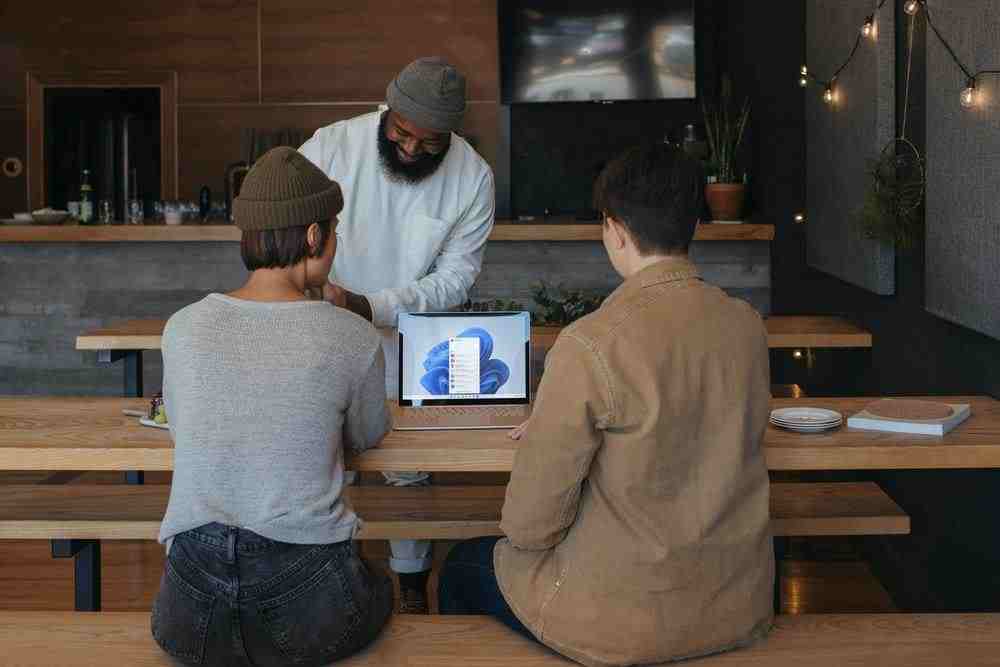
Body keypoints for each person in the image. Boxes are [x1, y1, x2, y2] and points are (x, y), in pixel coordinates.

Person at [438, 144, 774, 666]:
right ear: (693, 225)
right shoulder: (746, 325)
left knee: (462, 566)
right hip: (735, 603)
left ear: (614, 229)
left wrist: (553, 427)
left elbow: (531, 525)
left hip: (626, 623)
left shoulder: (591, 342)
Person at [152, 147, 393, 666]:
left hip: (188, 613)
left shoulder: (182, 328)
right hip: (307, 607)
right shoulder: (352, 335)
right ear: (314, 236)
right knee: (384, 588)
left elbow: (186, 428)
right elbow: (368, 435)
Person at [299, 56, 495, 613]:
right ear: (387, 110)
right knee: (320, 461)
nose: (411, 149)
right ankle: (325, 586)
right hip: (321, 334)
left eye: (429, 143)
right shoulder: (330, 147)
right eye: (402, 134)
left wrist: (370, 305)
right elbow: (289, 230)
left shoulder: (473, 176)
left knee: (409, 472)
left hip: (408, 343)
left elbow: (456, 278)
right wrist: (319, 289)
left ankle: (412, 590)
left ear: (451, 134)